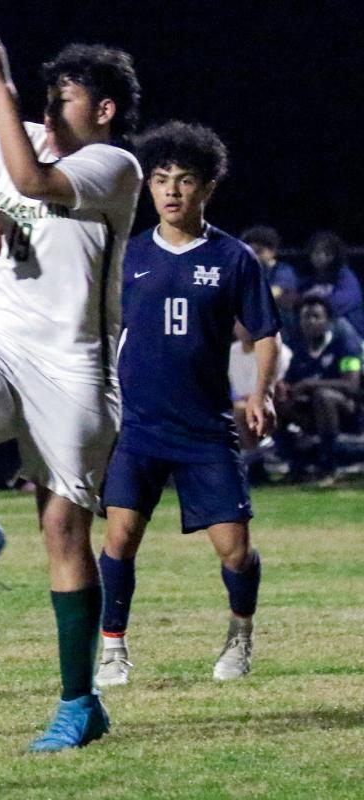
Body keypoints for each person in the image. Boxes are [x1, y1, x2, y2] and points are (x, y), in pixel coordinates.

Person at [0, 23, 142, 751]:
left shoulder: (114, 166)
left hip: (75, 366)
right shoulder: (18, 136)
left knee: (63, 529)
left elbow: (32, 184)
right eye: (45, 93)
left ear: (105, 110)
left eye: (67, 96)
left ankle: (80, 705)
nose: (50, 107)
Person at [95, 121, 281, 690]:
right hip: (138, 424)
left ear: (208, 189)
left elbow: (265, 332)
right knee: (120, 537)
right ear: (147, 188)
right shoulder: (125, 253)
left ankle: (240, 633)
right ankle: (112, 649)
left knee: (235, 551)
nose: (171, 191)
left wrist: (260, 391)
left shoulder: (233, 258)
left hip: (204, 429)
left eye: (185, 181)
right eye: (160, 180)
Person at [275, 294, 362, 484]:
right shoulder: (300, 350)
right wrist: (283, 388)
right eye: (305, 317)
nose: (310, 322)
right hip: (312, 413)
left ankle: (329, 467)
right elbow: (291, 383)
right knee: (275, 401)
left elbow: (352, 385)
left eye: (316, 317)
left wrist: (310, 385)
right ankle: (295, 465)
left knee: (324, 396)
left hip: (345, 411)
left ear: (328, 320)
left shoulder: (346, 344)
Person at [229, 321, 291, 484]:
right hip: (239, 403)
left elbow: (279, 386)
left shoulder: (278, 350)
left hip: (272, 403)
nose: (244, 328)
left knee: (240, 411)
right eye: (240, 323)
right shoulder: (231, 353)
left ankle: (254, 461)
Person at [299, 231, 364, 338]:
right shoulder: (309, 279)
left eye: (326, 253)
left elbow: (340, 303)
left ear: (335, 256)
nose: (320, 256)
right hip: (318, 335)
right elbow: (297, 300)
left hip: (352, 335)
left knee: (338, 322)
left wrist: (313, 305)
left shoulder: (345, 277)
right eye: (316, 252)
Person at [241, 225, 299, 341]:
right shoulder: (246, 272)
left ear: (272, 251)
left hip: (282, 326)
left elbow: (271, 294)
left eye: (258, 252)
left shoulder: (284, 271)